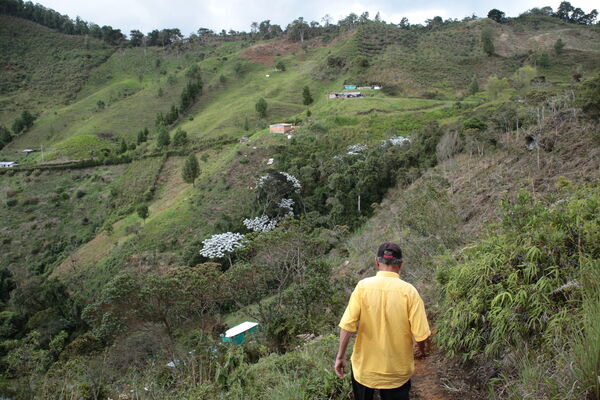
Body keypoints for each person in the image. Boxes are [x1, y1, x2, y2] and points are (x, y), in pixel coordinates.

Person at [334, 242, 431, 400]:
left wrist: (340, 357)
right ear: (401, 264)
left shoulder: (363, 287)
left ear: (376, 262)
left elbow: (347, 326)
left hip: (364, 370)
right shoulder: (410, 292)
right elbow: (421, 336)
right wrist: (421, 350)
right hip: (396, 373)